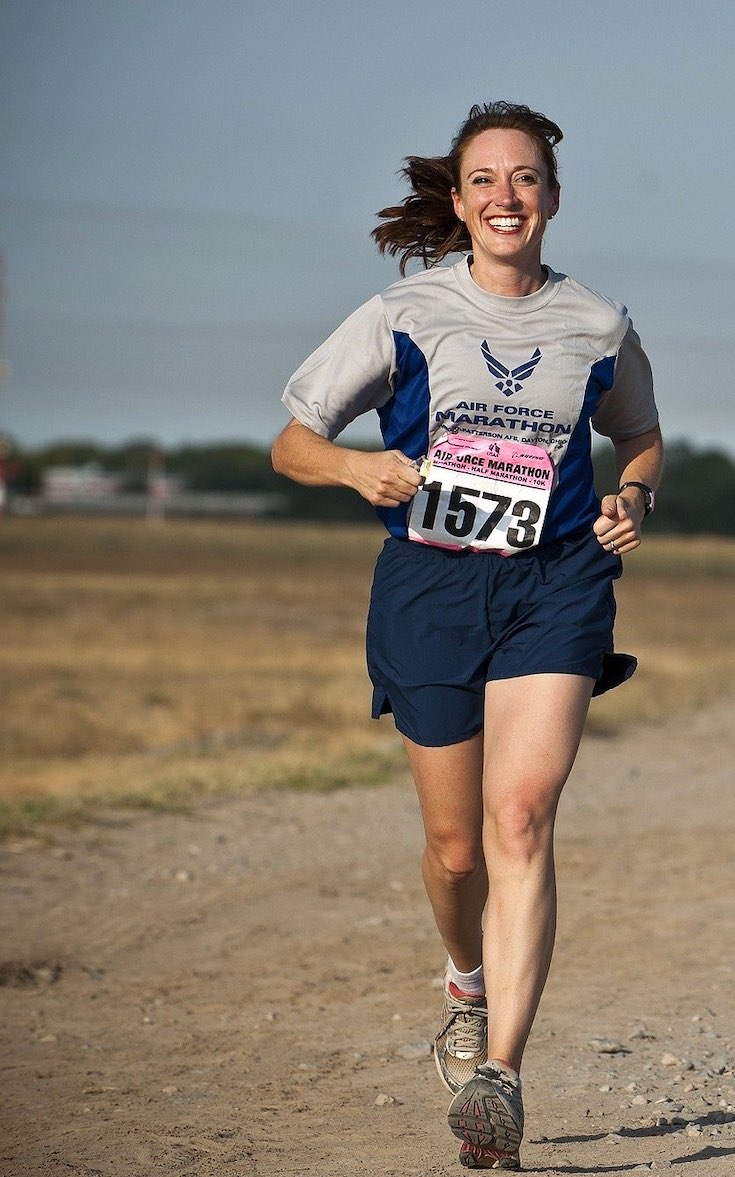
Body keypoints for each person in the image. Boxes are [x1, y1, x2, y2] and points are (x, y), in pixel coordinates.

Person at [271, 101, 663, 1171]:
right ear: (457, 200)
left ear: (552, 197)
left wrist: (634, 494)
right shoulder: (404, 312)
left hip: (556, 582)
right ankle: (465, 980)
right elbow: (292, 444)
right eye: (485, 179)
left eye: (525, 177)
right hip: (431, 587)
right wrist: (356, 468)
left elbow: (638, 432)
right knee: (456, 851)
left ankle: (501, 1076)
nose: (506, 195)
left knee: (520, 818)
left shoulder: (597, 323)